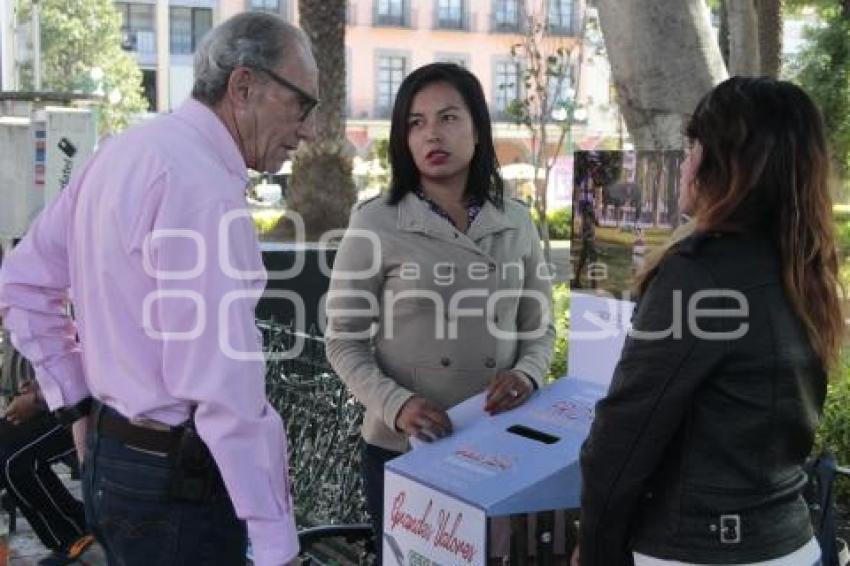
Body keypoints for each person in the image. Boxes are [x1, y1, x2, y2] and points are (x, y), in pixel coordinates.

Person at [0, 11, 318, 566]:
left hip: (116, 461)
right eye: (302, 104)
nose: (307, 129)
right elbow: (225, 390)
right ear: (244, 86)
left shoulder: (124, 152)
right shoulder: (201, 188)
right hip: (176, 485)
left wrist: (76, 405)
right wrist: (276, 546)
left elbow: (22, 284)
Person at [574, 77, 844, 566]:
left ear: (726, 164)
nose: (686, 161)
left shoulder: (700, 275)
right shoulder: (805, 268)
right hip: (790, 541)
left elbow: (622, 437)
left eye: (694, 144)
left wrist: (593, 550)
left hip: (698, 547)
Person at [325, 62, 555, 559]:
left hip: (498, 442)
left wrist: (528, 376)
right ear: (403, 139)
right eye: (416, 122)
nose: (433, 134)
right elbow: (342, 339)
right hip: (405, 448)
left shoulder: (515, 221)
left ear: (477, 129)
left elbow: (539, 328)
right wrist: (397, 404)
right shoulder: (376, 222)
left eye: (449, 117)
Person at [0, 379, 93, 565]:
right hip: (57, 402)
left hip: (87, 410)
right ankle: (77, 519)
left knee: (15, 463)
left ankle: (72, 533)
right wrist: (42, 386)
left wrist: (37, 398)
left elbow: (92, 379)